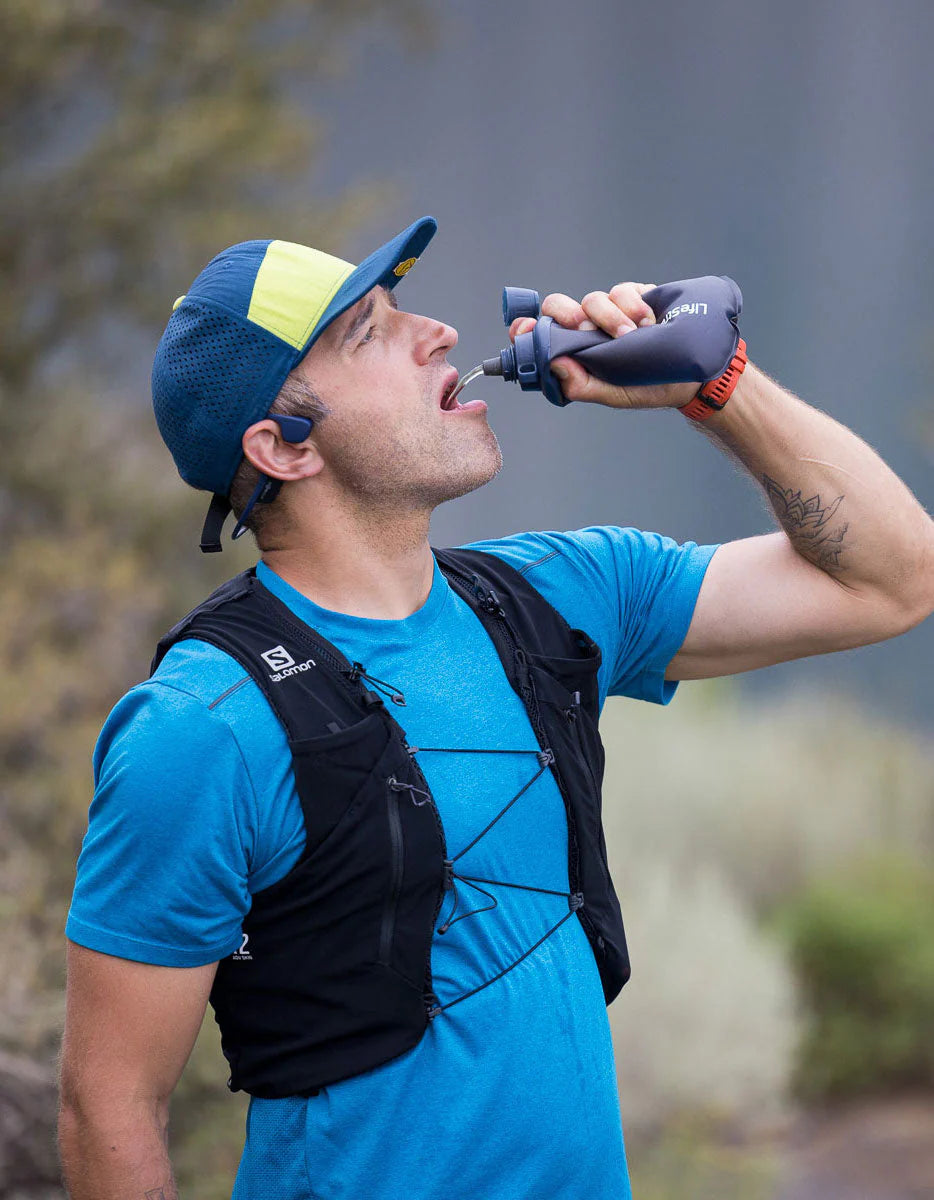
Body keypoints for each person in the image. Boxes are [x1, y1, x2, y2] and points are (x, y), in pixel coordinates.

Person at [58, 216, 934, 1200]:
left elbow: (892, 579)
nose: (435, 331)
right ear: (283, 444)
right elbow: (109, 1105)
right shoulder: (200, 728)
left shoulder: (557, 596)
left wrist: (717, 386)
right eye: (369, 333)